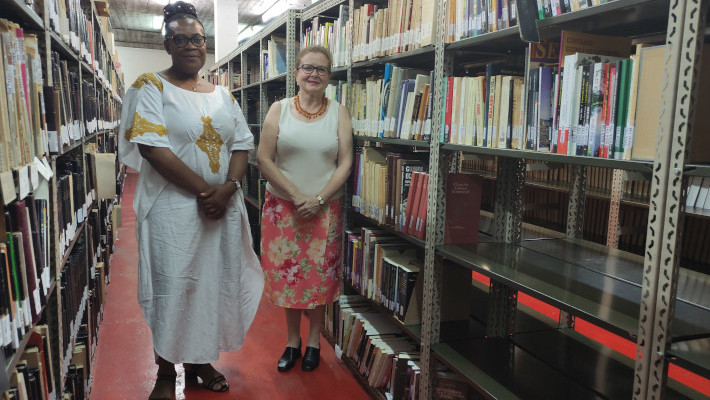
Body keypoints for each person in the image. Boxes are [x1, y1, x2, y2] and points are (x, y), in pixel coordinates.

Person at [117, 2, 263, 399]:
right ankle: (166, 369)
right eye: (179, 39)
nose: (190, 46)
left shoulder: (222, 95)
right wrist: (205, 190)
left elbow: (242, 143)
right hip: (173, 212)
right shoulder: (149, 86)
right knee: (173, 285)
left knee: (210, 285)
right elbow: (151, 148)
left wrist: (229, 188)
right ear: (167, 44)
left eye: (196, 38)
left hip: (221, 210)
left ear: (205, 43)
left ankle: (200, 360)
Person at [257, 46, 353, 373]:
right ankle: (291, 342)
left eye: (322, 70)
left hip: (326, 209)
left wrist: (320, 199)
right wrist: (297, 196)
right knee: (289, 276)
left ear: (329, 77)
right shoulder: (278, 109)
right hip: (284, 208)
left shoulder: (339, 112)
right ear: (296, 72)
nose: (314, 74)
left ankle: (314, 341)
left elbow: (346, 162)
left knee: (319, 278)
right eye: (308, 68)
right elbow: (264, 159)